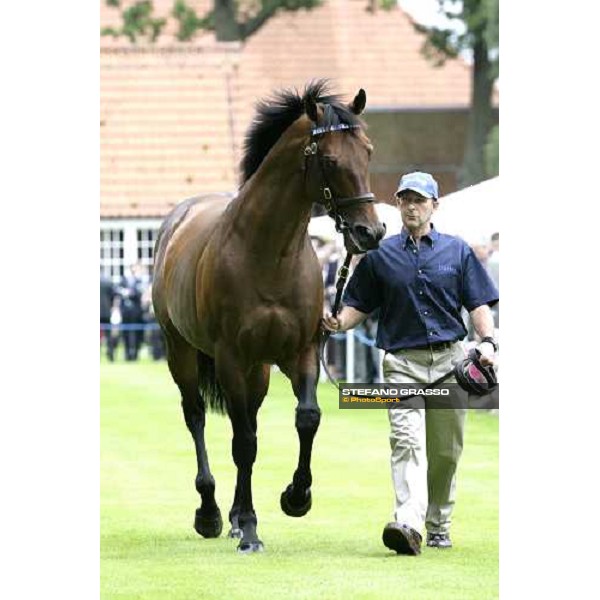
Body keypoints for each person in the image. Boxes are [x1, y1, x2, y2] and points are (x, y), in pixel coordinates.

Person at [323, 171, 499, 555]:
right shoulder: (380, 255)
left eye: (419, 200)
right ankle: (408, 522)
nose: (411, 206)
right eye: (405, 199)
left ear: (435, 205)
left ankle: (439, 523)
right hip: (402, 363)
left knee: (446, 451)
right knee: (406, 442)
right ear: (399, 204)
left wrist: (487, 341)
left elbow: (478, 303)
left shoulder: (458, 251)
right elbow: (358, 306)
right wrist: (337, 322)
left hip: (451, 364)